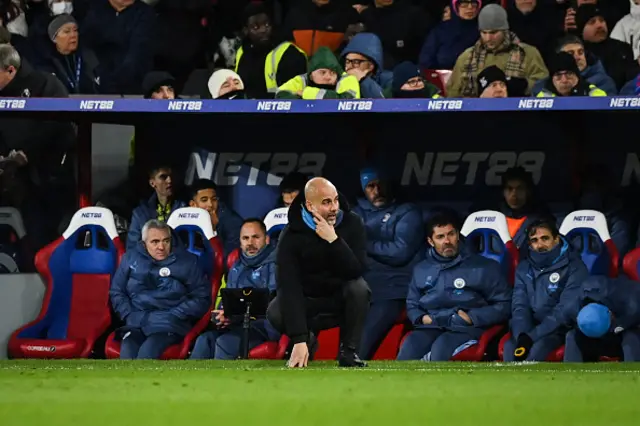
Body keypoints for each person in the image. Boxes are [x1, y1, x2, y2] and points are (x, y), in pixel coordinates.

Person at [266, 177, 371, 368]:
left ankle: (348, 352)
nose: (334, 207)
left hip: (338, 301)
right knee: (275, 310)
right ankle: (308, 341)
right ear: (309, 204)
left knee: (359, 288)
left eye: (335, 200)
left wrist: (334, 241)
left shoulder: (352, 223)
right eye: (326, 202)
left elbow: (356, 270)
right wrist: (299, 339)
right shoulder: (291, 235)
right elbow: (289, 287)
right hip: (307, 301)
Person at [397, 211, 512, 361]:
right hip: (431, 326)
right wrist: (422, 318)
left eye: (450, 234)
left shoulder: (484, 267)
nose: (447, 241)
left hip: (465, 328)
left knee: (441, 348)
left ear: (458, 235)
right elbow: (412, 304)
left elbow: (505, 304)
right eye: (440, 237)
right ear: (430, 241)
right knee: (410, 346)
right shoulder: (421, 269)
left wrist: (472, 317)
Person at [110, 219, 211, 359]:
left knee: (147, 351)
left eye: (166, 241)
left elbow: (202, 297)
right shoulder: (130, 259)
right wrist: (128, 314)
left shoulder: (188, 262)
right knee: (128, 350)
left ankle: (153, 382)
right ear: (144, 244)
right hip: (136, 322)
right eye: (155, 242)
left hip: (169, 325)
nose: (161, 247)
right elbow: (117, 291)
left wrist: (175, 314)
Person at [352, 168, 424, 360]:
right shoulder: (355, 213)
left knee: (358, 350)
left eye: (380, 184)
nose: (377, 190)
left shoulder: (408, 213)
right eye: (370, 186)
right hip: (361, 288)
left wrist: (364, 242)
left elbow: (400, 253)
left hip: (393, 291)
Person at [190, 219, 280, 360]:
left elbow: (272, 304)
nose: (250, 243)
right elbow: (228, 299)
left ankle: (224, 382)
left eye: (256, 237)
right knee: (204, 341)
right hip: (236, 325)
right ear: (240, 241)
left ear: (267, 239)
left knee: (224, 343)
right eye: (245, 238)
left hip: (262, 328)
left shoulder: (276, 265)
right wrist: (221, 316)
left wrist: (234, 315)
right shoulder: (236, 266)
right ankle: (190, 382)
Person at [503, 218, 588, 362]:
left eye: (545, 238)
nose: (540, 244)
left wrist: (532, 337)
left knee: (537, 350)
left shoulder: (575, 267)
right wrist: (522, 336)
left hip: (560, 330)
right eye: (534, 240)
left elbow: (564, 311)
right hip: (530, 329)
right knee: (510, 348)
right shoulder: (524, 268)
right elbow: (520, 307)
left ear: (556, 239)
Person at [564, 275, 640, 362]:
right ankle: (572, 371)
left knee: (631, 336)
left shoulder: (633, 303)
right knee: (571, 336)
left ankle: (633, 371)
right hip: (594, 340)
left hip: (624, 332)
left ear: (611, 315)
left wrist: (622, 325)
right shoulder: (570, 308)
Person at [127, 164, 185, 250]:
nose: (169, 180)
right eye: (163, 177)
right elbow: (132, 247)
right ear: (152, 183)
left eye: (171, 176)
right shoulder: (140, 213)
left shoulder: (185, 208)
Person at [188, 179, 243, 259]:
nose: (210, 204)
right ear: (193, 204)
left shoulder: (233, 223)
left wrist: (212, 230)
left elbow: (223, 259)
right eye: (204, 200)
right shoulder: (185, 219)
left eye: (214, 199)